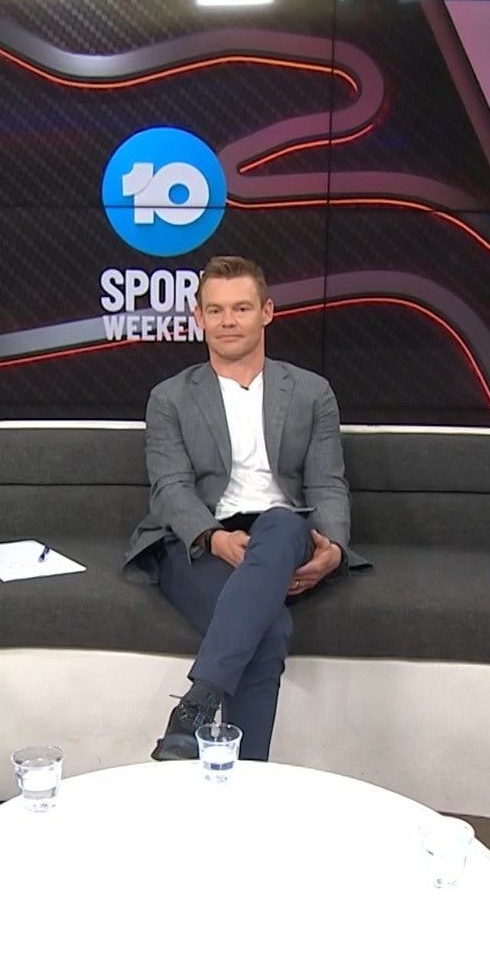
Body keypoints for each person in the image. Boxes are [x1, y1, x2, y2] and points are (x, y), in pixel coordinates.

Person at [124, 255, 367, 763]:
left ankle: (192, 710)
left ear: (267, 312)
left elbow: (327, 482)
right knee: (269, 630)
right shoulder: (170, 397)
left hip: (284, 535)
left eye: (240, 308)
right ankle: (244, 776)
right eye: (215, 310)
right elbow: (170, 487)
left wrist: (334, 550)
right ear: (199, 318)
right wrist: (214, 538)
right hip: (199, 541)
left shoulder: (310, 392)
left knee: (281, 522)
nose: (227, 321)